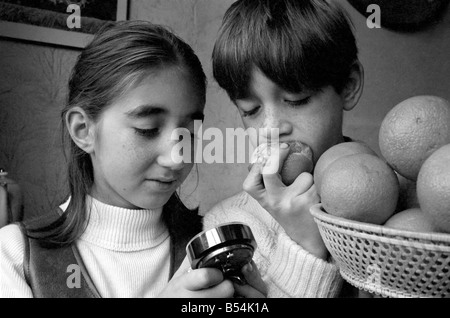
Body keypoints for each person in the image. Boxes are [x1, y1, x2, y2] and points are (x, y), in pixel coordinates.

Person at [0, 21, 265, 298]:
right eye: (148, 129)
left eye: (189, 133)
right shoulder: (14, 255)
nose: (177, 158)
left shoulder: (215, 245)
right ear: (83, 129)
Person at [204, 0, 364, 297]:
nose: (271, 128)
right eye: (250, 110)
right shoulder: (229, 229)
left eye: (296, 99)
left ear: (349, 85)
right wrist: (307, 247)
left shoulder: (392, 201)